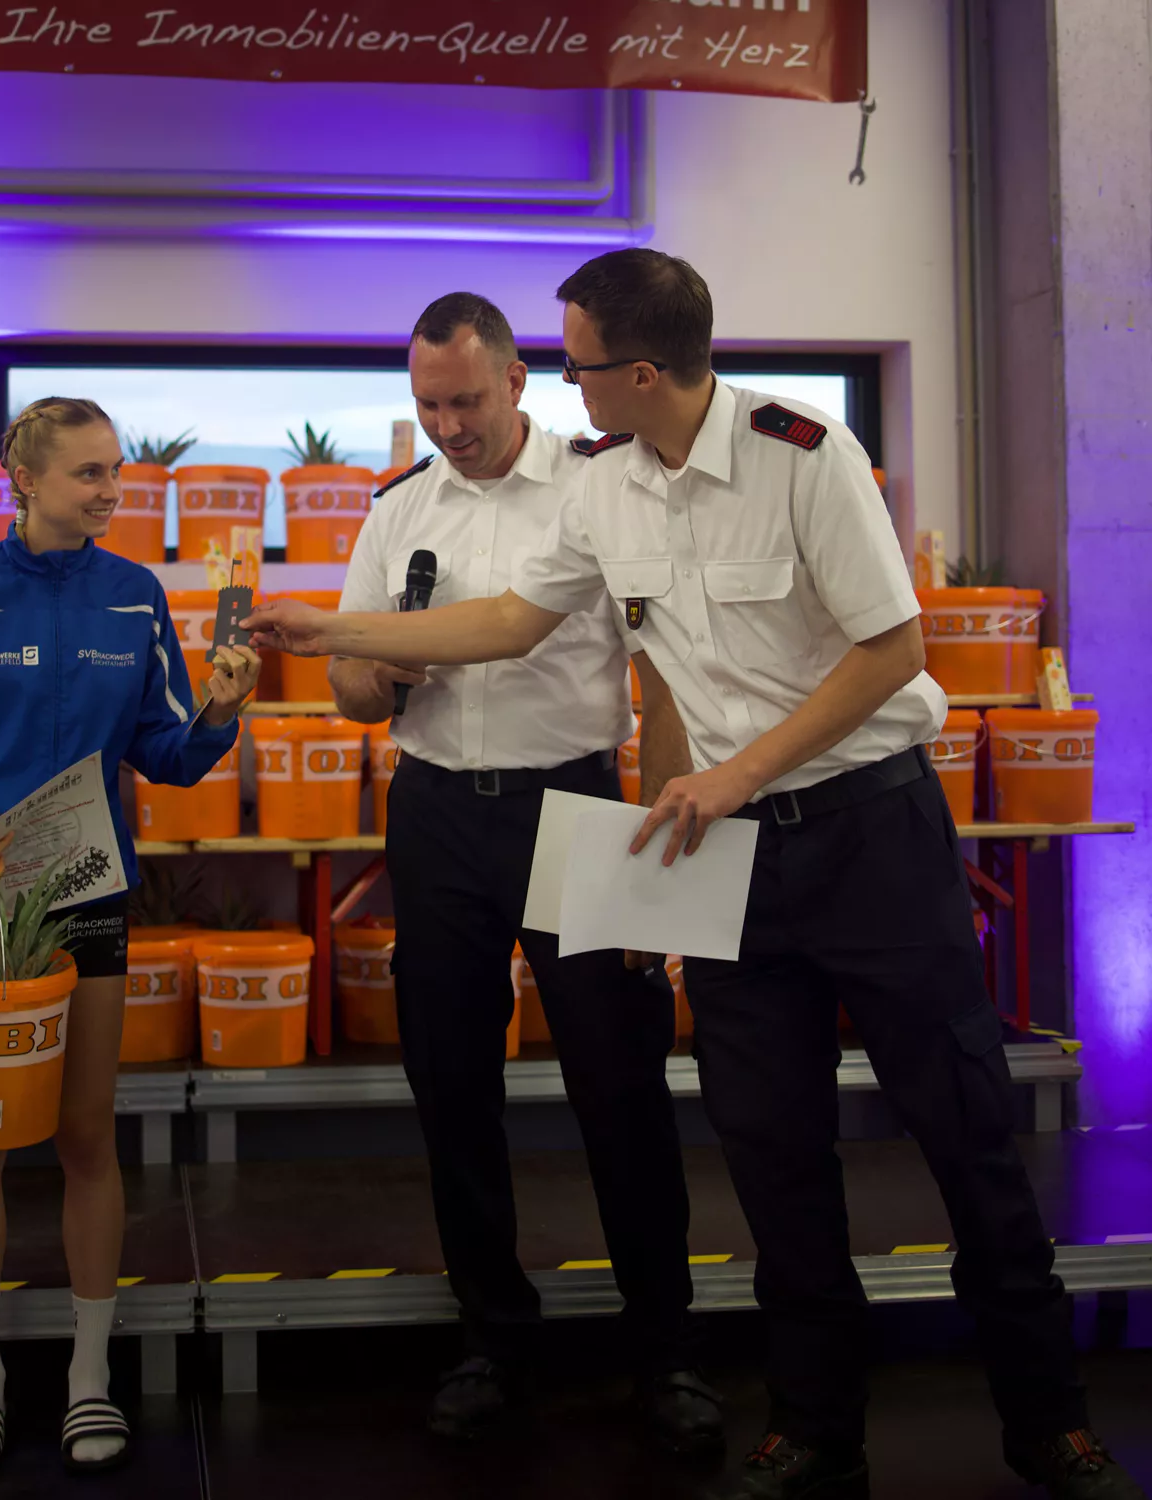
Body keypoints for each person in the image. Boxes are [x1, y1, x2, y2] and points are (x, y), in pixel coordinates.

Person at [245, 250, 1144, 1500]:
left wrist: (731, 776)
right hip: (724, 850)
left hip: (868, 835)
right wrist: (325, 627)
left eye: (573, 364)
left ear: (643, 371)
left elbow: (892, 652)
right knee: (772, 1155)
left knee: (968, 1138)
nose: (559, 386)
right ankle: (815, 1427)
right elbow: (507, 623)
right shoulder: (604, 491)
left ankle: (1050, 1426)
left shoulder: (804, 452)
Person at [329, 292, 719, 1449]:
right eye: (426, 404)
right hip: (439, 810)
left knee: (622, 1088)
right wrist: (380, 674)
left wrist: (657, 828)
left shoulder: (603, 488)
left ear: (517, 384)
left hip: (581, 801)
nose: (445, 423)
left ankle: (666, 1350)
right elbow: (352, 692)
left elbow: (666, 674)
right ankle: (495, 1339)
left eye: (463, 400)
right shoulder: (396, 510)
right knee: (452, 1090)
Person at [0, 397, 260, 1477]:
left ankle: (90, 1377)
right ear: (22, 478)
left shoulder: (136, 600)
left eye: (115, 472)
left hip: (87, 896)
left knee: (89, 1134)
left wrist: (222, 713)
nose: (109, 491)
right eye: (88, 474)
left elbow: (169, 753)